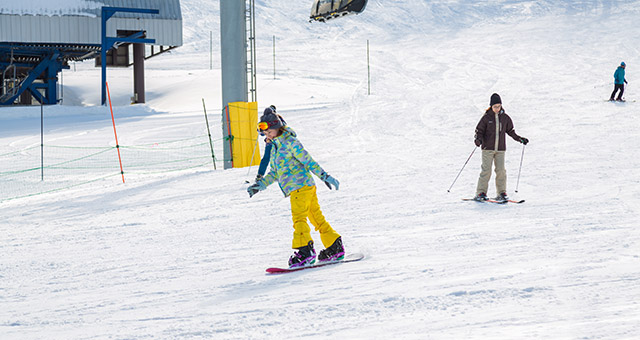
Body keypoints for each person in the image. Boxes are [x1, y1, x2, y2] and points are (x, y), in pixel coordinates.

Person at [247, 111, 344, 268]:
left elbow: (308, 161)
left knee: (299, 219)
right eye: (264, 133)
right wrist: (261, 185)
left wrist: (325, 176)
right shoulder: (275, 147)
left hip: (301, 187)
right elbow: (275, 172)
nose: (267, 135)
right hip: (301, 188)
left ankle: (305, 251)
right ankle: (334, 246)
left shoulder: (290, 142)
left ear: (278, 128)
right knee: (316, 218)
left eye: (269, 132)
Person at [474, 93, 529, 202]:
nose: (497, 109)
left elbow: (510, 131)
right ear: (491, 106)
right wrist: (478, 139)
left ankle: (501, 193)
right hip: (487, 149)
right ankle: (480, 192)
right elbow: (479, 131)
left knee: (501, 171)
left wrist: (520, 139)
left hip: (500, 149)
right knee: (486, 170)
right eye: (495, 107)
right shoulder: (486, 118)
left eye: (499, 106)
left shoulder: (505, 118)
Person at [255, 105, 285, 182]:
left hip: (275, 141)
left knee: (269, 157)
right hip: (273, 141)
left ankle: (261, 175)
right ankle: (261, 174)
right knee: (269, 157)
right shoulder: (268, 119)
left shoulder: (277, 118)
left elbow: (282, 128)